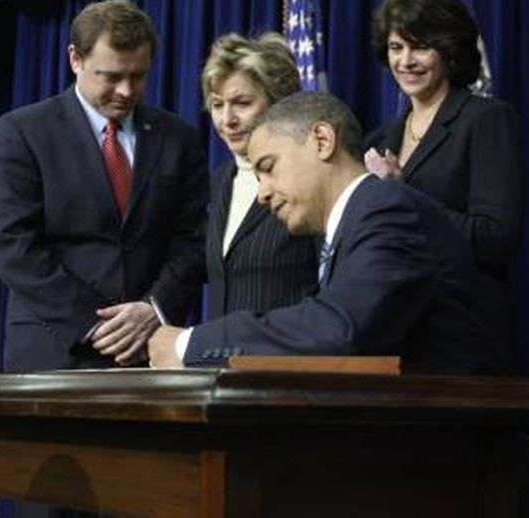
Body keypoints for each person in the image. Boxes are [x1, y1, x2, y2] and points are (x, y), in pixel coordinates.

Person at [148, 91, 507, 374]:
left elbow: (336, 330)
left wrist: (189, 344)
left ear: (322, 140)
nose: (262, 193)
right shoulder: (357, 218)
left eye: (269, 168)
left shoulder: (388, 210)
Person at [0, 0, 207, 372]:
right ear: (76, 59)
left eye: (137, 76)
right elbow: (13, 244)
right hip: (53, 348)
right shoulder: (24, 131)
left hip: (150, 349)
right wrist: (97, 324)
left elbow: (194, 239)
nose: (125, 90)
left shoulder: (178, 139)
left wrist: (152, 308)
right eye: (111, 76)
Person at [363, 0, 522, 370]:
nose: (406, 61)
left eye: (420, 47)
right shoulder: (381, 140)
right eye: (396, 48)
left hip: (463, 338)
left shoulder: (485, 119)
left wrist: (404, 196)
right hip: (397, 333)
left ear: (449, 50)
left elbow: (495, 239)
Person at [200, 32, 318, 318]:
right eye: (217, 105)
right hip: (216, 360)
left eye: (241, 103)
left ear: (278, 102)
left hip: (286, 358)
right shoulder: (214, 186)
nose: (227, 120)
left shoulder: (310, 181)